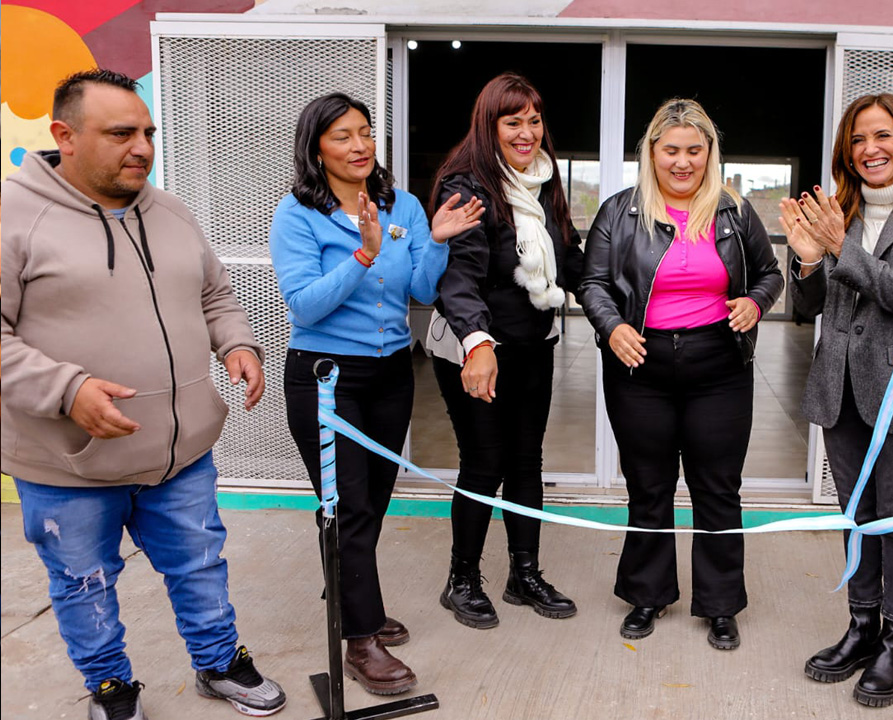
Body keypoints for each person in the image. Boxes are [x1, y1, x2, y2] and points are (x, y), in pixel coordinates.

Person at [1, 68, 286, 719]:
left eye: (148, 132)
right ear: (64, 136)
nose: (142, 147)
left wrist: (237, 343)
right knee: (84, 584)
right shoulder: (13, 218)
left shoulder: (171, 211)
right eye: (121, 133)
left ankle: (218, 664)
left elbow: (214, 294)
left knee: (201, 568)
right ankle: (110, 687)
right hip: (67, 463)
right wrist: (67, 389)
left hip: (177, 454)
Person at [269, 92, 482, 695]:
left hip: (390, 374)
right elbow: (305, 304)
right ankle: (361, 637)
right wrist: (362, 253)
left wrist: (435, 239)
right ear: (316, 149)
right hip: (325, 378)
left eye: (365, 132)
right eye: (342, 136)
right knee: (349, 507)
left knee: (373, 503)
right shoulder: (297, 214)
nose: (359, 145)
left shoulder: (403, 204)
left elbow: (419, 289)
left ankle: (354, 600)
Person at [580, 98, 783, 650]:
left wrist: (756, 304)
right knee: (649, 487)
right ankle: (648, 595)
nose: (683, 161)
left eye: (695, 150)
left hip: (718, 365)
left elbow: (769, 273)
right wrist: (611, 327)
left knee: (717, 488)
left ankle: (720, 605)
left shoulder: (734, 212)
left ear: (710, 153)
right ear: (652, 152)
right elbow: (592, 282)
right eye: (671, 150)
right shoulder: (619, 211)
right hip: (638, 364)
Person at [781, 93, 893, 707]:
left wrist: (836, 247)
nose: (869, 149)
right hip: (843, 389)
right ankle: (861, 629)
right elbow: (808, 311)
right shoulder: (840, 210)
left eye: (882, 136)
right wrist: (805, 260)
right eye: (857, 140)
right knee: (857, 514)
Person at [427, 73, 584, 630]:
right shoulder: (466, 184)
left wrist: (623, 297)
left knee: (526, 461)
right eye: (512, 121)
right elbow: (458, 278)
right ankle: (461, 580)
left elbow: (569, 257)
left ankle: (524, 573)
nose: (527, 133)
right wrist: (478, 343)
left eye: (534, 121)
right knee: (485, 461)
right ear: (489, 125)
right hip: (474, 345)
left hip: (531, 341)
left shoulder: (544, 181)